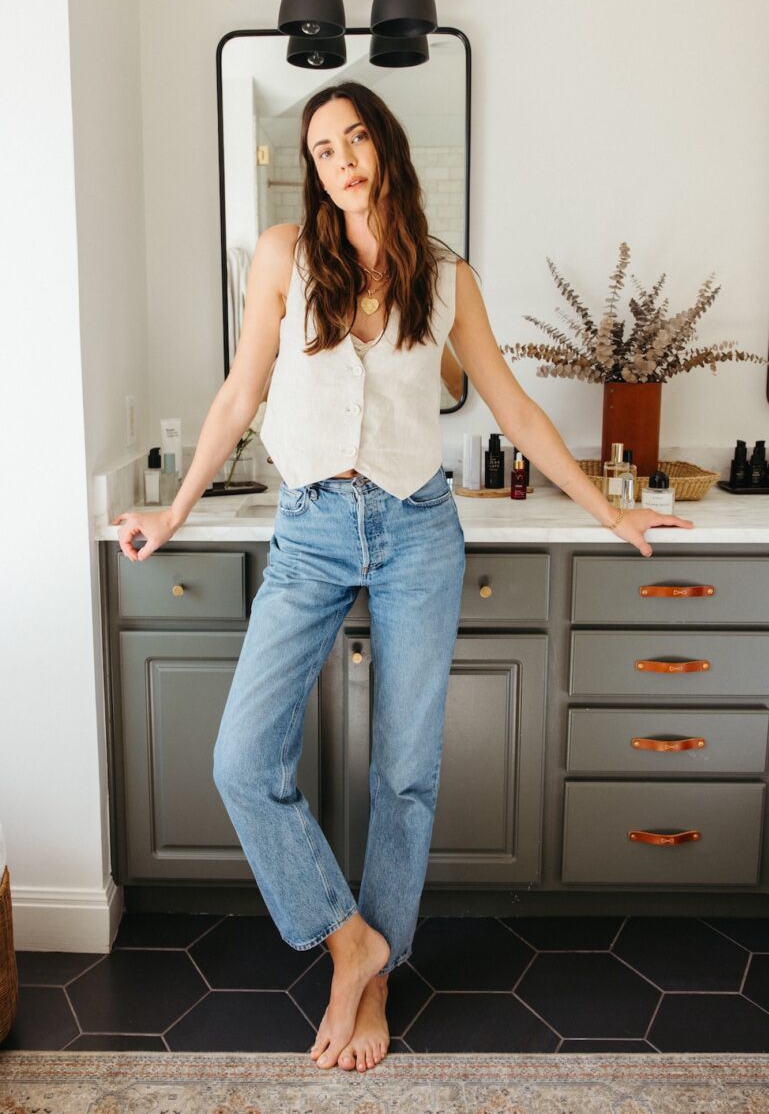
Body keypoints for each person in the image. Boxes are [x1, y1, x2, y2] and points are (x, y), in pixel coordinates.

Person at [113, 81, 694, 1073]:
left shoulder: (444, 275)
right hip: (306, 530)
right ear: (313, 167)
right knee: (241, 760)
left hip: (419, 528)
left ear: (382, 146)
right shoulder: (285, 259)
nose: (339, 158)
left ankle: (371, 983)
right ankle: (350, 940)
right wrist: (173, 511)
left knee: (404, 775)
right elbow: (241, 392)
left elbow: (511, 409)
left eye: (353, 137)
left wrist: (609, 507)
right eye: (321, 147)